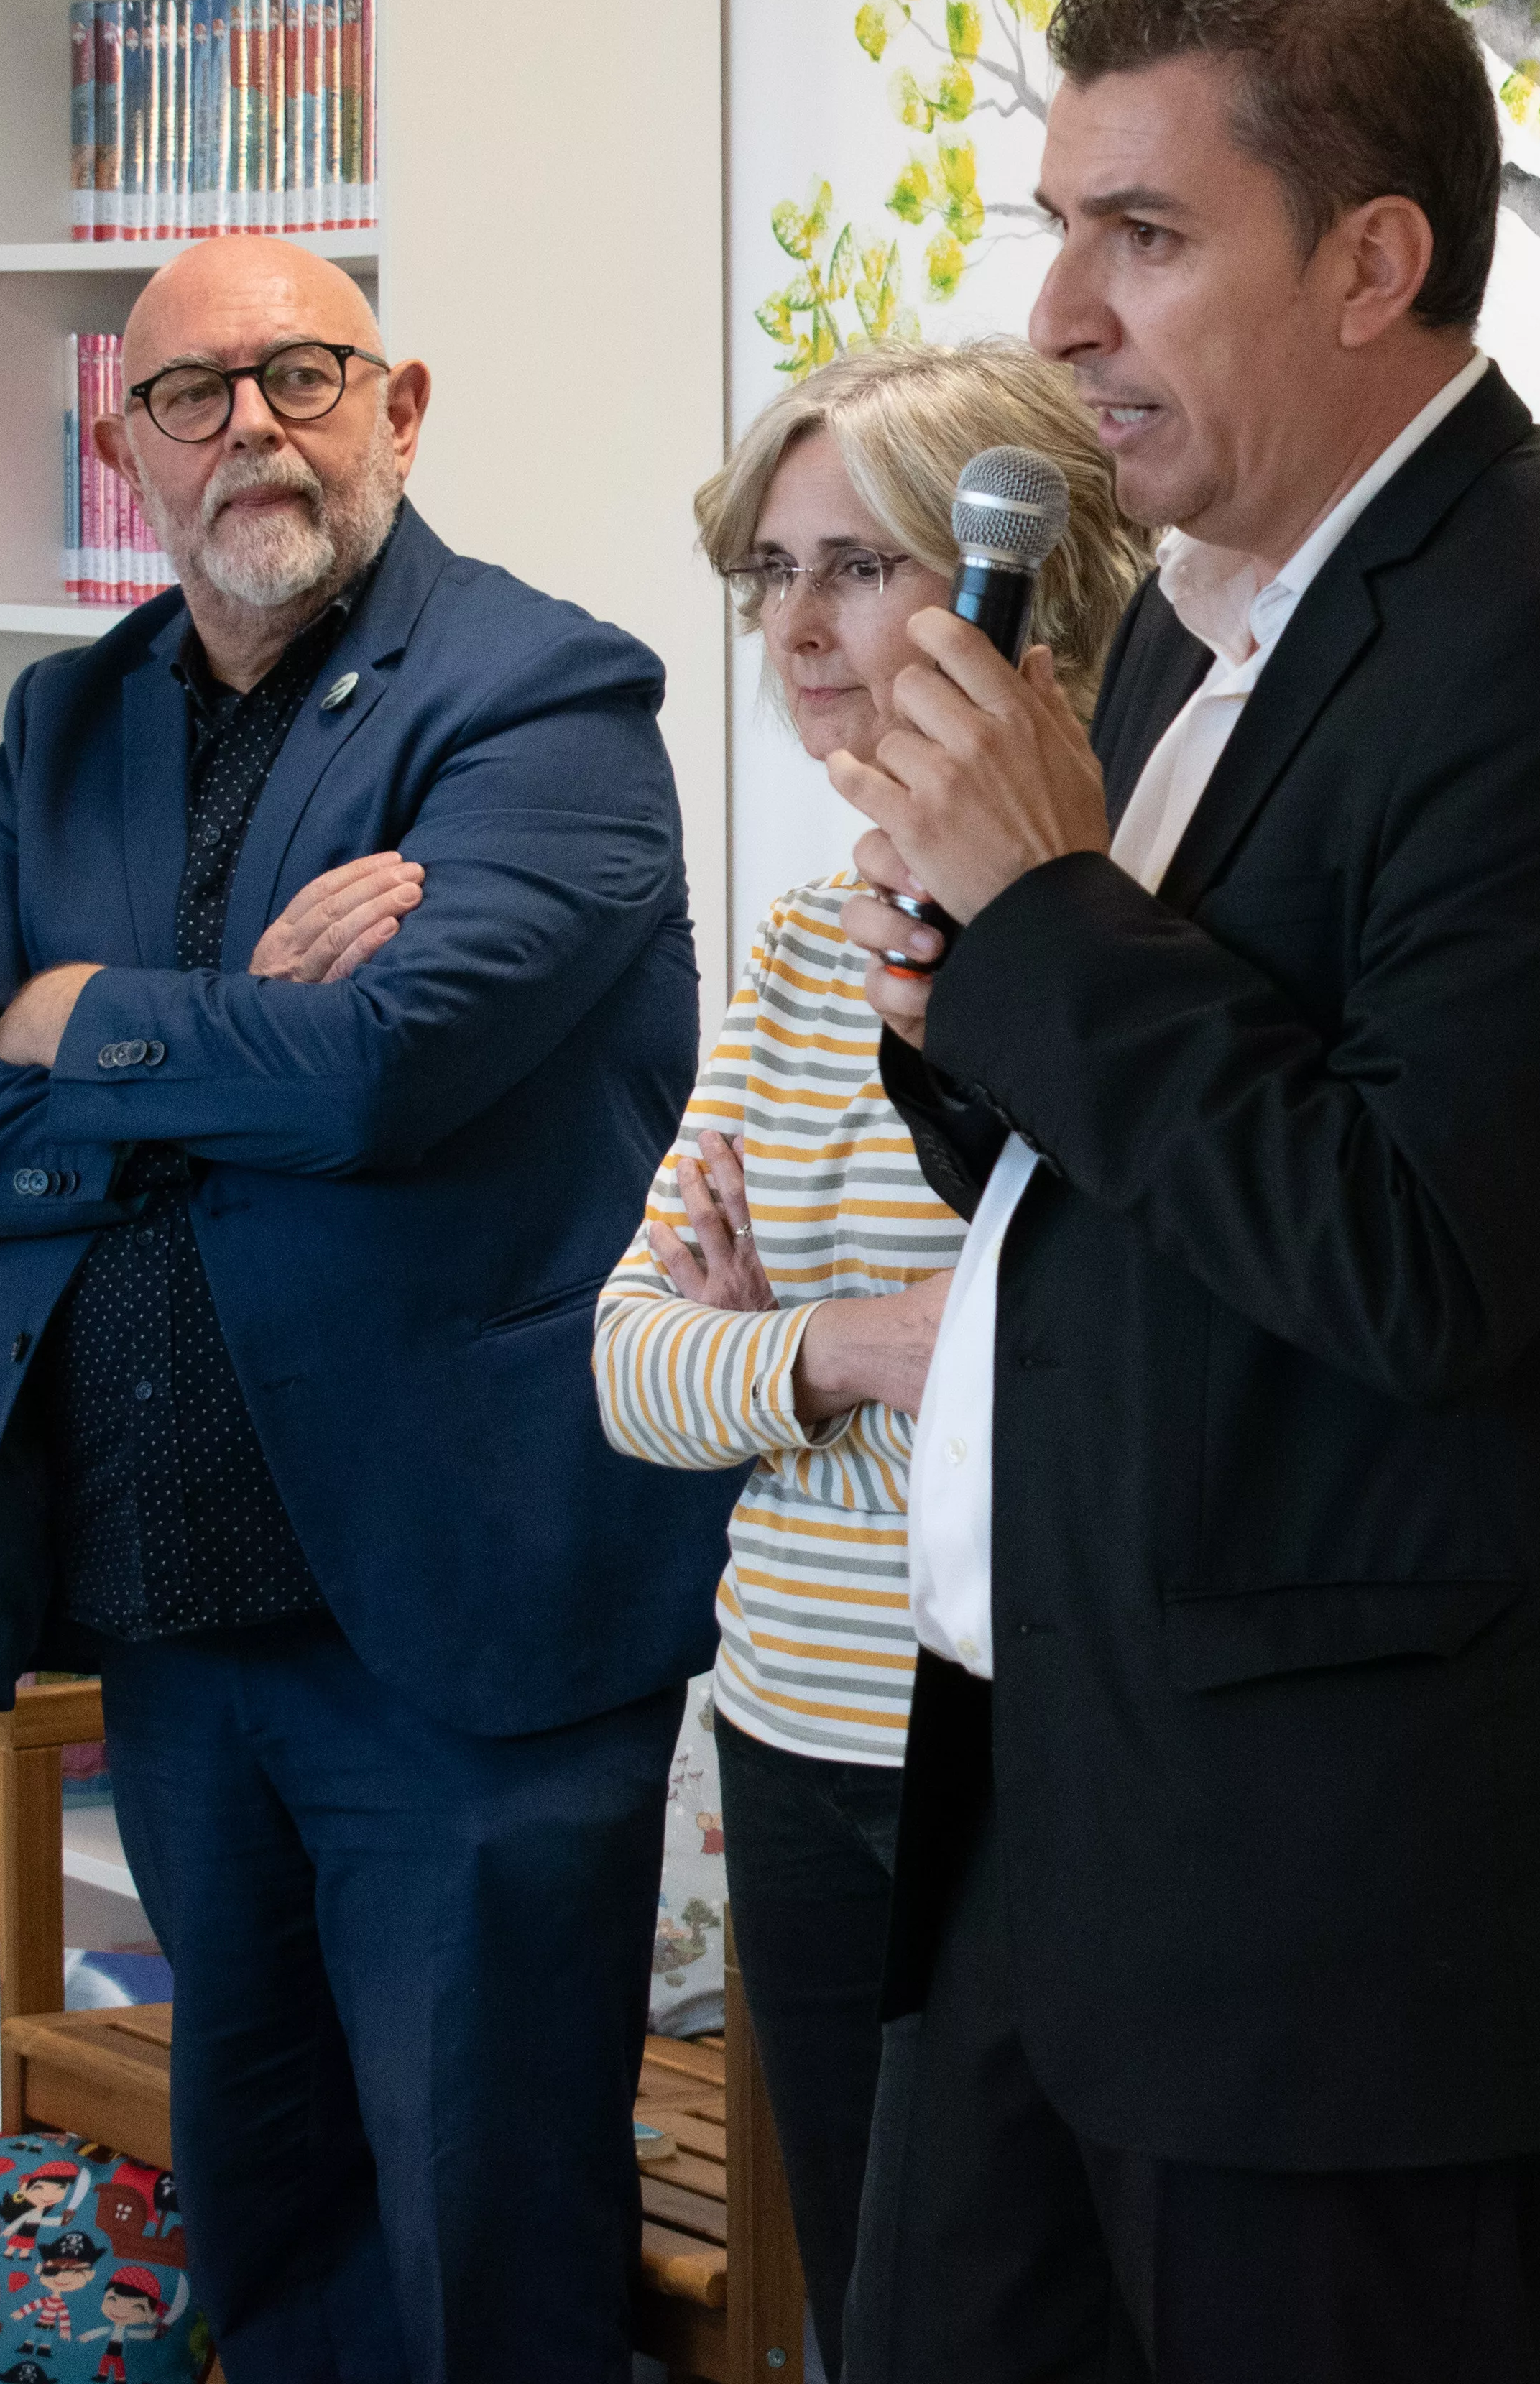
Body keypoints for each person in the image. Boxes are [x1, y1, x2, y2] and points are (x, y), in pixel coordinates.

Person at [827, 0, 1540, 2380]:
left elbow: (1420, 1257)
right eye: (1060, 226)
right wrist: (970, 1007)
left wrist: (1042, 918)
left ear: (1375, 262)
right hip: (1065, 1813)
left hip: (1355, 1935)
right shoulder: (1178, 613)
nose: (1060, 310)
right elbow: (1134, 1181)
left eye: (1143, 235)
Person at [0, 233, 732, 2384]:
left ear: (401, 407)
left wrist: (77, 1025)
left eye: (307, 374)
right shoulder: (66, 725)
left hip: (459, 1625)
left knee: (490, 2248)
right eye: (194, 392)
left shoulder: (547, 700)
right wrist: (234, 1027)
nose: (254, 422)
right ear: (123, 443)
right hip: (178, 1630)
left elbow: (389, 1073)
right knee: (279, 2227)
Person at [594, 337, 1145, 2377]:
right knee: (869, 2312)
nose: (798, 628)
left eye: (859, 566)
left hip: (1004, 1746)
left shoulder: (1111, 916)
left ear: (1016, 587)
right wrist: (841, 1349)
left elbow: (1075, 1374)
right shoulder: (819, 932)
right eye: (774, 571)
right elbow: (632, 1362)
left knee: (1019, 2329)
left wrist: (803, 1354)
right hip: (791, 1732)